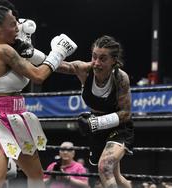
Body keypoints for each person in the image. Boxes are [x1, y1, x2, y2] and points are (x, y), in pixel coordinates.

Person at [0, 0, 77, 188]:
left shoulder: (14, 47)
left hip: (17, 117)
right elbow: (39, 76)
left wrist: (78, 66)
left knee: (36, 176)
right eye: (12, 25)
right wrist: (59, 52)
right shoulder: (2, 51)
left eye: (17, 23)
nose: (17, 28)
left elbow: (42, 62)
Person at [56, 35, 134, 188]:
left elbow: (126, 113)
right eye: (94, 57)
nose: (97, 63)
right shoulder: (84, 70)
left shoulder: (120, 78)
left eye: (103, 58)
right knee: (116, 176)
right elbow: (59, 66)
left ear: (114, 60)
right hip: (97, 129)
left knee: (104, 167)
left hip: (119, 127)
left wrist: (96, 122)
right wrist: (30, 54)